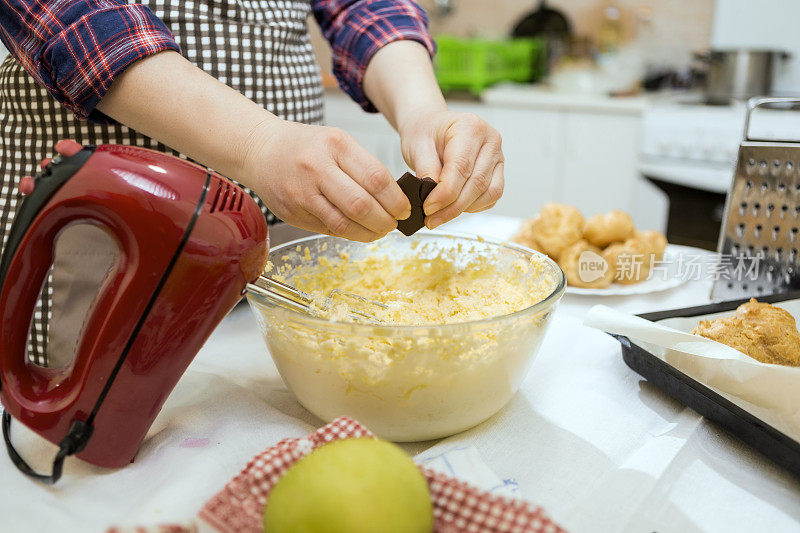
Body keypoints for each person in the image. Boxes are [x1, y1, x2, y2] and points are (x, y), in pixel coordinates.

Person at [0, 0, 504, 365]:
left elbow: (365, 7)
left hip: (286, 236)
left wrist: (421, 110)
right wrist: (258, 144)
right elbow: (73, 22)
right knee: (107, 438)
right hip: (118, 236)